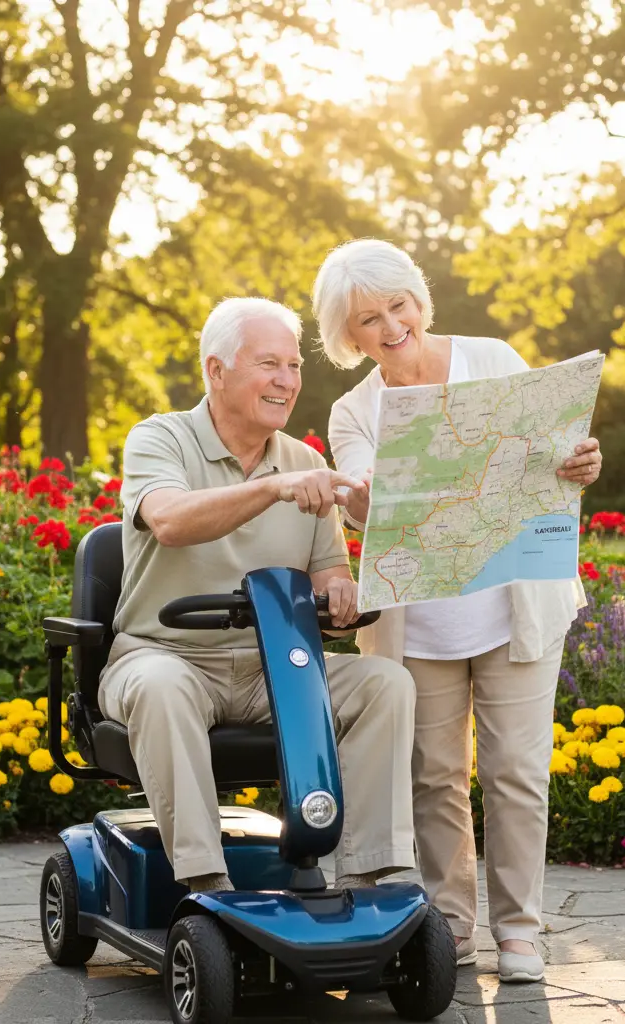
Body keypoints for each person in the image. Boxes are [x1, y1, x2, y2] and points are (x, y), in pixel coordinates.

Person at [312, 239, 603, 983]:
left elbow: (552, 460)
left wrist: (580, 464)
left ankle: (520, 933)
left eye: (398, 305)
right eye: (367, 319)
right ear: (348, 338)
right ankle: (448, 927)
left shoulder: (494, 359)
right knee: (435, 778)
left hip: (517, 611)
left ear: (418, 299)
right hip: (422, 625)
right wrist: (369, 497)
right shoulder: (353, 411)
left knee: (517, 774)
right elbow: (360, 498)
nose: (390, 326)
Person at [98, 296, 418, 894]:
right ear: (216, 371)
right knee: (162, 689)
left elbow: (329, 575)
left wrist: (341, 594)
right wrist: (273, 489)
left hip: (277, 669)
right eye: (269, 364)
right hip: (166, 657)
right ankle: (204, 884)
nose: (287, 381)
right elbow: (168, 520)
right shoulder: (159, 439)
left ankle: (374, 875)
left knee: (384, 684)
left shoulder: (305, 462)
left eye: (294, 366)